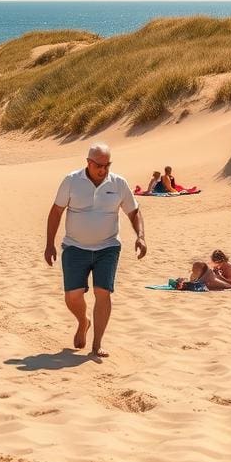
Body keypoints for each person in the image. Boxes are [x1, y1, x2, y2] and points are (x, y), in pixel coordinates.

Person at [44, 143, 147, 358]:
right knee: (72, 296)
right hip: (74, 247)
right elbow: (56, 211)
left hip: (107, 247)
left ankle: (97, 344)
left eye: (107, 165)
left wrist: (141, 236)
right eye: (99, 165)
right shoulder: (71, 181)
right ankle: (83, 321)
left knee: (103, 293)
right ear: (88, 163)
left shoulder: (118, 183)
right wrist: (49, 243)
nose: (103, 169)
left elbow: (134, 211)